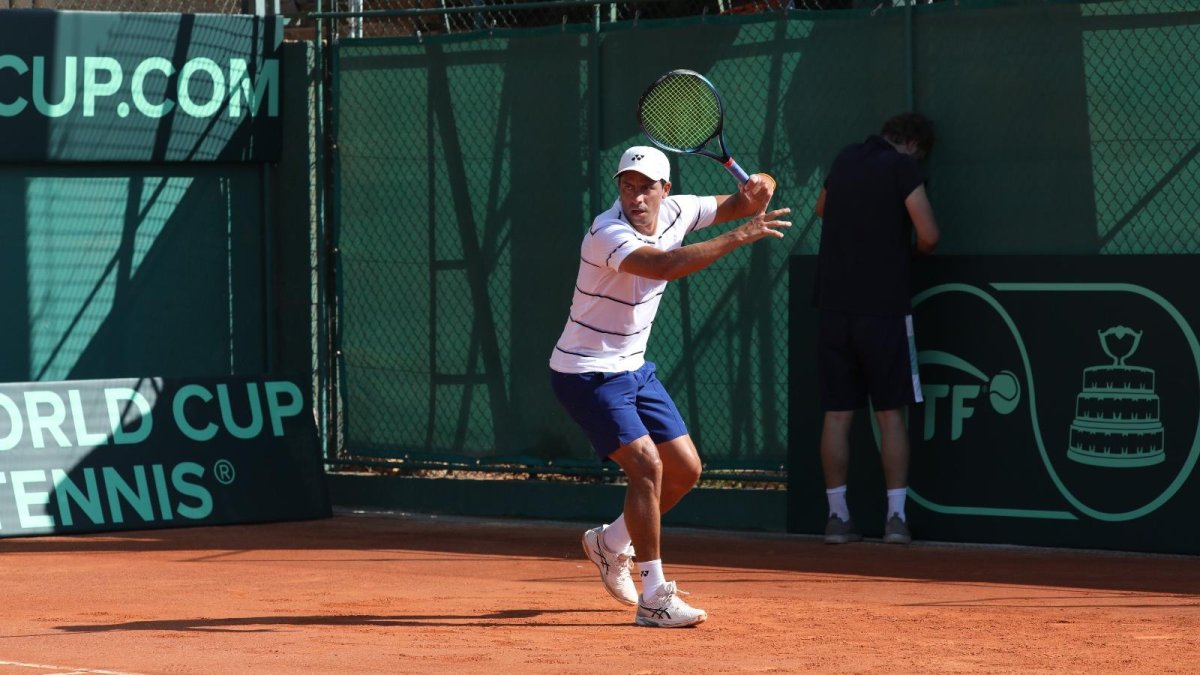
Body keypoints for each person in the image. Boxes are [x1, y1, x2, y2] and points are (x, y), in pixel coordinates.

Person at [550, 145, 789, 627]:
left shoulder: (680, 210)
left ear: (666, 189)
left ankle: (610, 542)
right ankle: (655, 596)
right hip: (586, 372)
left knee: (685, 470)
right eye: (627, 186)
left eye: (646, 188)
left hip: (633, 368)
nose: (635, 197)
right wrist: (740, 234)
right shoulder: (606, 232)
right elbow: (665, 265)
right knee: (646, 465)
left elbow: (740, 203)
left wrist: (760, 186)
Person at [811, 113, 939, 546]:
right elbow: (929, 234)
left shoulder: (846, 159)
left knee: (837, 414)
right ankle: (896, 520)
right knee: (890, 414)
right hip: (883, 309)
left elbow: (821, 209)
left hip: (833, 309)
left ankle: (837, 518)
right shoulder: (903, 167)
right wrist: (905, 249)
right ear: (913, 146)